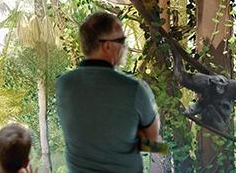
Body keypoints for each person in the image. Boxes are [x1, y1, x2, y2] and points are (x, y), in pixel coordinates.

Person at [56, 12, 160, 173]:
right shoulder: (134, 89)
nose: (125, 47)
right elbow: (152, 141)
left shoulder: (63, 84)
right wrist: (129, 137)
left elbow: (85, 133)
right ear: (107, 46)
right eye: (121, 41)